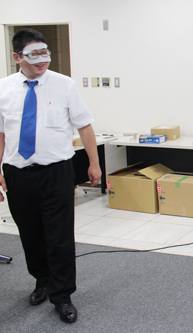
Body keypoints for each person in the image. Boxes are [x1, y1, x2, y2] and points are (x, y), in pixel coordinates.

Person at [0, 28, 101, 324]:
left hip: (56, 172)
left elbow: (84, 126)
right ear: (17, 57)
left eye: (45, 53)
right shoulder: (3, 88)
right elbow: (2, 134)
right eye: (34, 55)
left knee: (58, 237)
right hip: (17, 173)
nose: (42, 59)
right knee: (30, 234)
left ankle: (62, 295)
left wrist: (94, 164)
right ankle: (41, 281)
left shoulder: (64, 85)